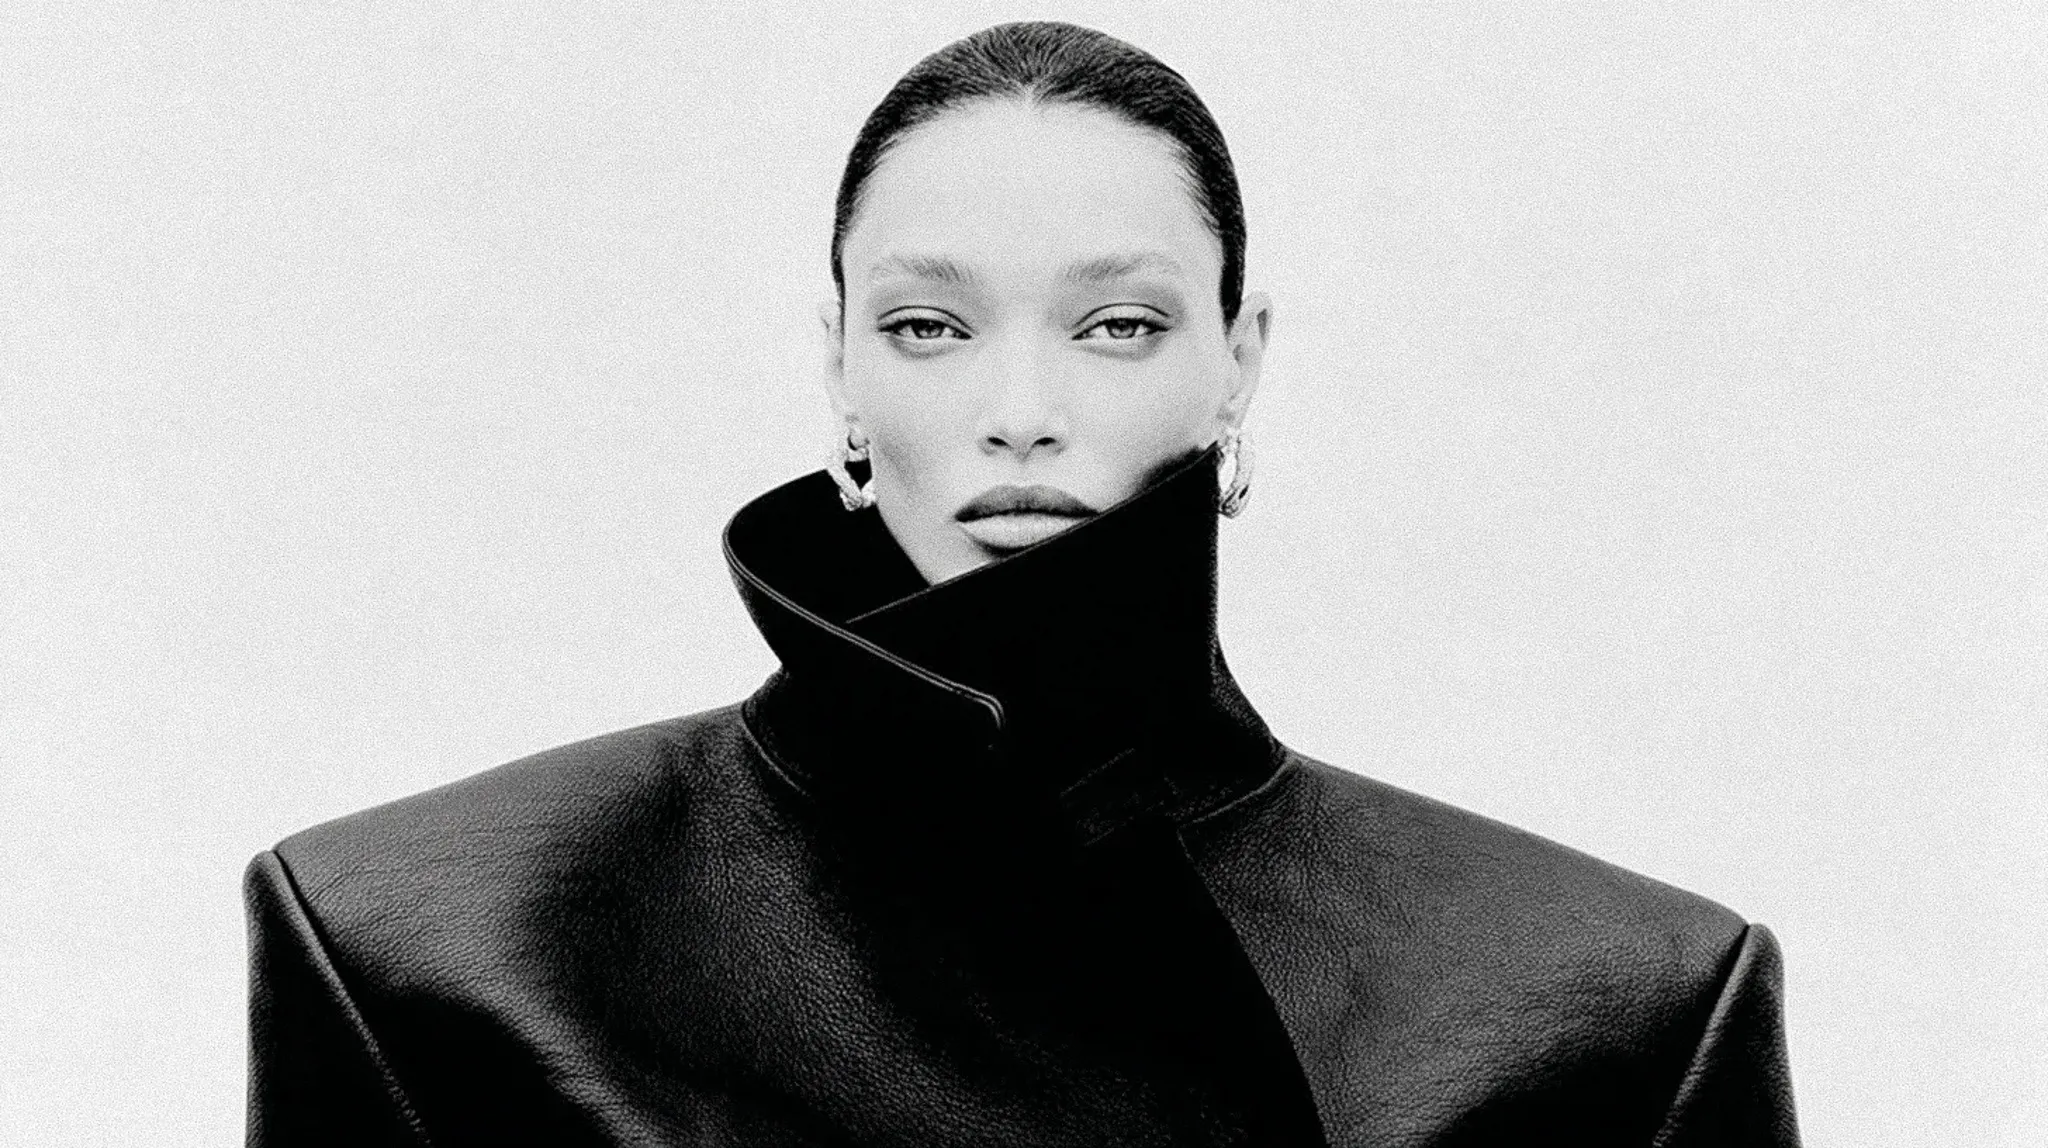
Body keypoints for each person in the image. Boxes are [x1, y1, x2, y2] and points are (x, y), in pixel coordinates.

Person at [243, 21, 1800, 1146]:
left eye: (1116, 324)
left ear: (1236, 368)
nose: (1021, 407)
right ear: (840, 365)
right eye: (931, 326)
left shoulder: (1617, 1013)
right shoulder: (436, 955)